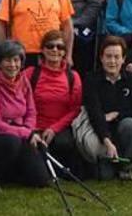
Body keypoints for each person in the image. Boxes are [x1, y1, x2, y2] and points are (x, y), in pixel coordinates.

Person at [0, 40, 50, 190]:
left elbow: (31, 111)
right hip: (0, 136)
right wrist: (26, 133)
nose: (13, 65)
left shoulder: (24, 81)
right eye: (8, 60)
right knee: (11, 142)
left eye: (16, 60)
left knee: (41, 180)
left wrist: (29, 131)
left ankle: (12, 174)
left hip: (22, 132)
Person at [84, 36, 132, 180]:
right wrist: (108, 142)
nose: (112, 61)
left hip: (123, 129)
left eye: (117, 57)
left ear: (123, 59)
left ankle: (126, 166)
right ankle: (107, 160)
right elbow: (95, 114)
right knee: (105, 176)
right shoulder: (91, 80)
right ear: (101, 58)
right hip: (100, 131)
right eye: (108, 56)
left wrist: (116, 114)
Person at [27, 30, 86, 174]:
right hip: (33, 128)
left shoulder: (73, 77)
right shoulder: (30, 73)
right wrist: (32, 130)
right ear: (42, 50)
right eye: (50, 46)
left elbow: (75, 109)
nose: (55, 50)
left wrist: (54, 128)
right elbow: (22, 105)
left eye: (60, 47)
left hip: (59, 129)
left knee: (64, 144)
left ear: (64, 52)